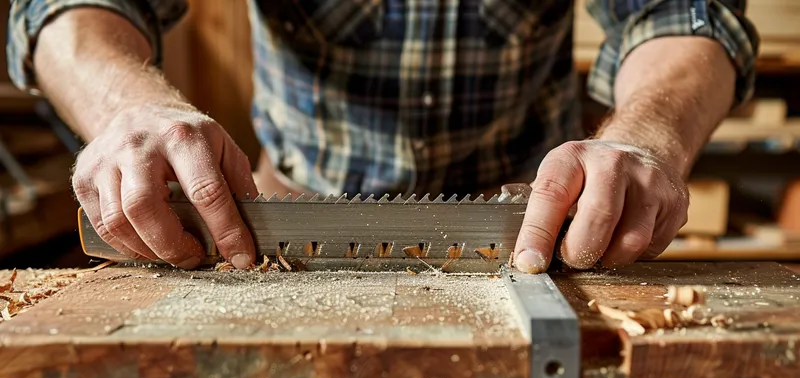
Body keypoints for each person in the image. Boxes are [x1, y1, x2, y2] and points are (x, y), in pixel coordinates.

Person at [8, 1, 758, 272]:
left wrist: (649, 137)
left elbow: (682, 15)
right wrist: (124, 108)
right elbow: (70, 8)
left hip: (541, 224)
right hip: (281, 232)